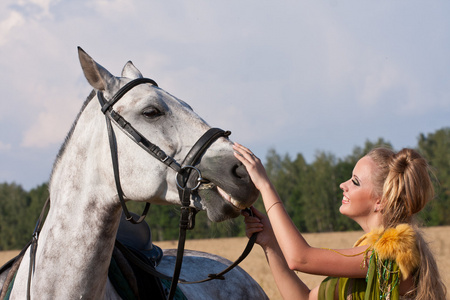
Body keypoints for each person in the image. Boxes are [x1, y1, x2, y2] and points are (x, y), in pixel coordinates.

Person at [233, 143, 447, 300]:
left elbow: (300, 258)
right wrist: (270, 243)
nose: (343, 185)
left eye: (355, 181)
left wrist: (266, 186)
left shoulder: (390, 254)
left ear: (380, 201)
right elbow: (304, 298)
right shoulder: (366, 258)